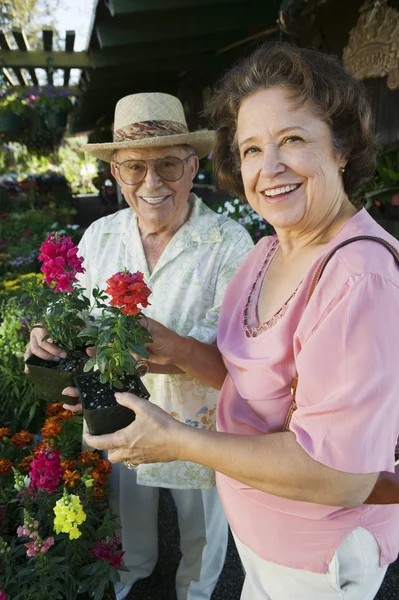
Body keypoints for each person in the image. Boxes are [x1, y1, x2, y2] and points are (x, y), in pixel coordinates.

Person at [83, 43, 399, 600]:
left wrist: (180, 440)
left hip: (317, 561)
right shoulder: (267, 252)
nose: (269, 167)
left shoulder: (360, 277)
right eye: (252, 148)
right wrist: (173, 351)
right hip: (263, 542)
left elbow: (342, 477)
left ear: (342, 145)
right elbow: (247, 382)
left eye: (293, 140)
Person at [26, 92, 253, 600]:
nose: (152, 183)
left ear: (192, 165)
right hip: (114, 411)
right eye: (134, 168)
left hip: (201, 423)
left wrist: (165, 349)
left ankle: (195, 591)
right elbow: (77, 315)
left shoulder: (231, 243)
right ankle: (131, 577)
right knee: (128, 519)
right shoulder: (99, 237)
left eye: (168, 164)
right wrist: (48, 335)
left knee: (202, 530)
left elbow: (238, 361)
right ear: (115, 174)